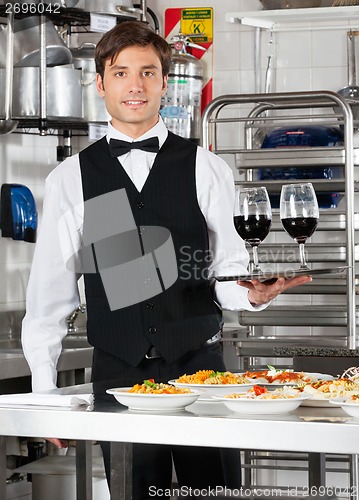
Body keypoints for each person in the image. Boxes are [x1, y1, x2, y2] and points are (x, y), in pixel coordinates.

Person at [21, 20, 312, 499]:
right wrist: (44, 391)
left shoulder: (206, 167)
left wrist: (252, 294)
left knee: (214, 493)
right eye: (120, 73)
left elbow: (224, 273)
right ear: (100, 83)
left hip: (202, 372)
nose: (134, 85)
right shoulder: (71, 177)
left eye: (148, 72)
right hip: (119, 376)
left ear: (163, 82)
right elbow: (49, 295)